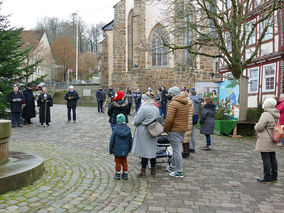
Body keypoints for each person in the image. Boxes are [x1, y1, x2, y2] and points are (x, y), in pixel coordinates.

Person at [131, 93, 159, 177]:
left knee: (144, 151)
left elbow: (137, 121)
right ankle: (153, 170)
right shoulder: (155, 108)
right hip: (153, 130)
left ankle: (143, 171)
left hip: (144, 130)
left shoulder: (144, 108)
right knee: (152, 150)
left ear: (145, 99)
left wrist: (134, 122)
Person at [164, 86, 190, 178]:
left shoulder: (173, 103)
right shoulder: (186, 102)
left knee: (177, 151)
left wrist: (166, 129)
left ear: (173, 94)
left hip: (174, 129)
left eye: (170, 94)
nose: (168, 95)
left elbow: (169, 119)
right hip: (182, 129)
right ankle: (172, 166)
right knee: (176, 149)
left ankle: (179, 171)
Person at [255, 98, 279, 184]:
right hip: (273, 137)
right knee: (273, 158)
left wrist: (256, 126)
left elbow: (260, 127)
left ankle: (267, 178)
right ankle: (274, 177)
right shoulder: (276, 113)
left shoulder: (266, 114)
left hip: (265, 139)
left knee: (266, 158)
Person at [109, 114, 133, 180]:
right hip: (125, 149)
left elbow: (112, 140)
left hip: (117, 149)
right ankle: (125, 173)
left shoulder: (115, 129)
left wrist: (111, 150)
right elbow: (130, 140)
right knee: (124, 161)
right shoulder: (128, 129)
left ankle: (118, 174)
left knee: (118, 161)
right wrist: (130, 149)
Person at [182, 92, 195, 158]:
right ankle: (188, 150)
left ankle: (185, 152)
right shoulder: (191, 103)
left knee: (184, 137)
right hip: (190, 121)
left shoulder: (183, 102)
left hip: (184, 121)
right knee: (188, 136)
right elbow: (193, 112)